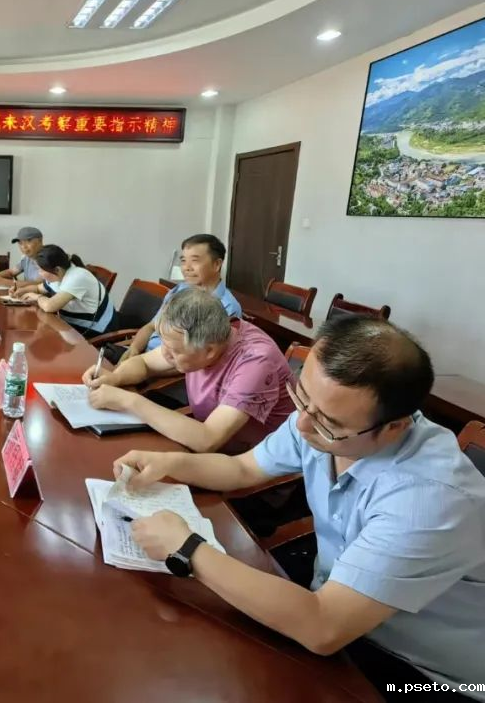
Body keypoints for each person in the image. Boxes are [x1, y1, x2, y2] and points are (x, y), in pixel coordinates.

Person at [115, 316, 485, 702]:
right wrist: (170, 463)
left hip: (419, 670)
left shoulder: (429, 500)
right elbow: (243, 469)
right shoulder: (325, 418)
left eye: (327, 422)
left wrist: (187, 549)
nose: (303, 424)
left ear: (394, 427)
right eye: (302, 397)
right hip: (329, 599)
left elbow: (323, 628)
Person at [84, 288, 293, 453]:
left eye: (174, 351)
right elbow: (145, 363)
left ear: (209, 351)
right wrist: (115, 377)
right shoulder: (204, 337)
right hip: (209, 442)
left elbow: (208, 439)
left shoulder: (256, 362)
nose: (165, 354)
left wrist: (129, 401)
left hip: (252, 463)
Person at [124, 234, 242, 361]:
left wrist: (141, 363)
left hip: (170, 366)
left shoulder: (228, 307)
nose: (186, 268)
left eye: (195, 260)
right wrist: (134, 349)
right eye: (184, 261)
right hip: (143, 356)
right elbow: (152, 326)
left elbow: (200, 359)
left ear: (216, 264)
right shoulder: (180, 290)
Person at [13, 244, 115, 338]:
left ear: (57, 269)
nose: (40, 273)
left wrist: (36, 297)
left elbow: (49, 306)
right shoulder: (58, 275)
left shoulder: (77, 277)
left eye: (41, 270)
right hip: (69, 326)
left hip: (95, 331)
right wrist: (22, 291)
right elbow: (38, 288)